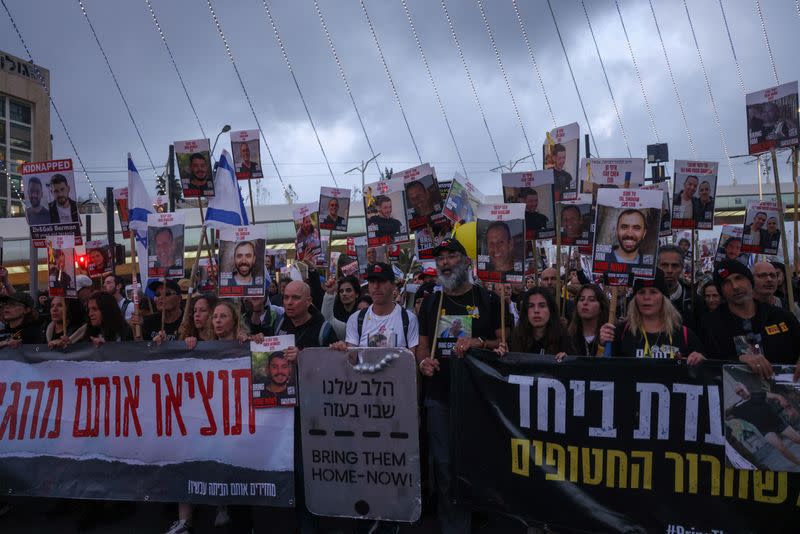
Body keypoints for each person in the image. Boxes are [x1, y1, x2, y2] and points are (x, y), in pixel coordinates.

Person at [417, 238, 503, 534]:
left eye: (452, 255)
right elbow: (423, 345)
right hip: (440, 396)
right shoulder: (430, 301)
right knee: (444, 466)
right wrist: (423, 363)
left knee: (477, 464)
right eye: (440, 257)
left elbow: (504, 344)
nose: (444, 262)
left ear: (467, 262)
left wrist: (479, 342)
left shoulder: (488, 300)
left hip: (479, 398)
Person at [701, 260, 800, 380]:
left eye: (739, 278)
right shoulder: (711, 324)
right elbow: (708, 364)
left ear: (750, 280)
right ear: (720, 290)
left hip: (785, 392)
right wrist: (737, 360)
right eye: (726, 282)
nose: (735, 286)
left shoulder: (782, 317)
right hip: (738, 395)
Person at [600, 269, 705, 363]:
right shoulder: (620, 332)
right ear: (635, 299)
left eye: (653, 292)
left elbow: (706, 375)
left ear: (664, 299)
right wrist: (602, 344)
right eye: (641, 292)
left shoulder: (685, 335)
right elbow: (601, 374)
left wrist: (700, 360)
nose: (647, 297)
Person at [727, 382, 800, 466]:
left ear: (745, 387)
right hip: (765, 430)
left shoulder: (757, 395)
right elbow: (726, 416)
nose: (741, 393)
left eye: (741, 390)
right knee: (781, 448)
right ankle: (798, 463)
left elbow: (778, 396)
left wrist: (788, 409)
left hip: (777, 422)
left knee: (797, 440)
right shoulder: (738, 408)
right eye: (738, 393)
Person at [497, 287, 572, 357]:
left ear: (551, 309)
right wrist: (507, 357)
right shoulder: (516, 338)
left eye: (542, 306)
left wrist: (567, 361)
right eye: (531, 306)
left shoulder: (564, 337)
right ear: (526, 311)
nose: (536, 310)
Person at [657, 245, 695, 330]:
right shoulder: (644, 298)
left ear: (682, 267)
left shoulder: (693, 299)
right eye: (664, 265)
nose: (669, 270)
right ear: (656, 266)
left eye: (674, 265)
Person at [568, 284, 610, 356]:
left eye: (592, 300)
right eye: (581, 299)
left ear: (601, 306)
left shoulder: (610, 335)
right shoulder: (568, 336)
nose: (585, 303)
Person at [321, 275, 361, 340]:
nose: (344, 294)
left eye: (348, 290)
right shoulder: (335, 311)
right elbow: (327, 319)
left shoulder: (362, 311)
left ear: (356, 294)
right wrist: (330, 292)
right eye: (341, 291)